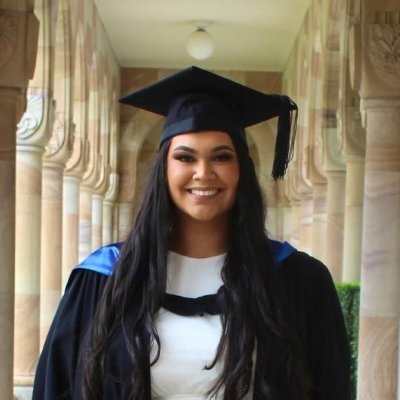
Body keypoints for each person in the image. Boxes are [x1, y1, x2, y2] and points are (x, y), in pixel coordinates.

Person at [33, 66, 350, 400]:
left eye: (221, 157)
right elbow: (57, 387)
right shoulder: (105, 279)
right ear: (164, 170)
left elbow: (331, 387)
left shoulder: (296, 280)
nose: (203, 172)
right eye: (185, 157)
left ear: (240, 169)